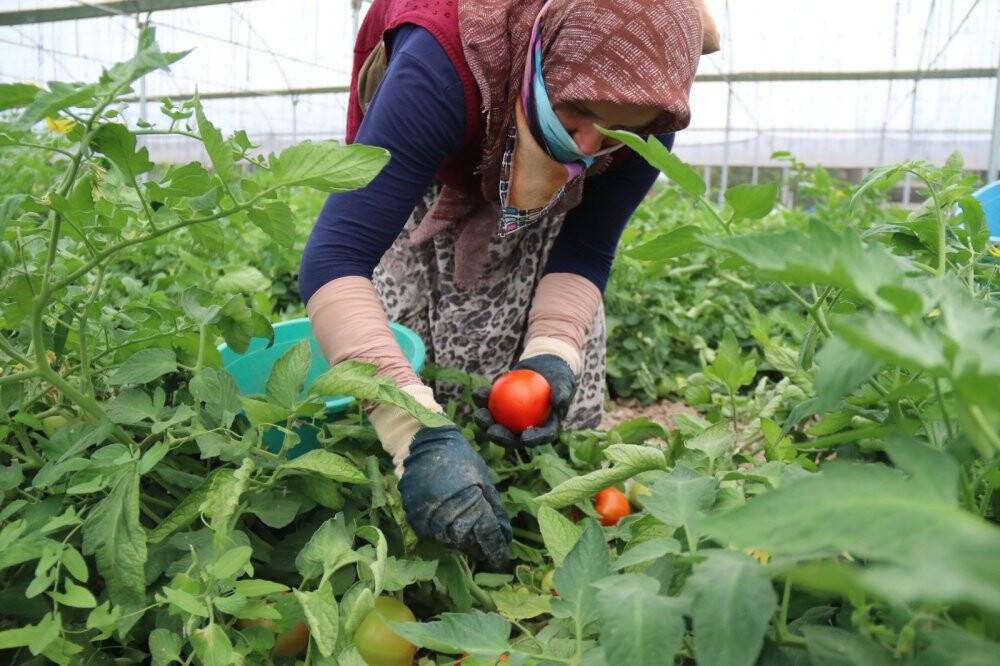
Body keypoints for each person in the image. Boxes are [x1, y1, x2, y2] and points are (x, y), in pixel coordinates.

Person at [300, 0, 717, 568]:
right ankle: (428, 471)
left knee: (544, 368)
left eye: (618, 130)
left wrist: (552, 351)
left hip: (520, 137)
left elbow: (586, 249)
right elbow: (336, 257)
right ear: (542, 62)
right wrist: (414, 433)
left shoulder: (651, 118)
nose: (587, 148)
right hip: (442, 143)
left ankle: (525, 494)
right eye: (575, 112)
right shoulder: (437, 66)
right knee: (404, 350)